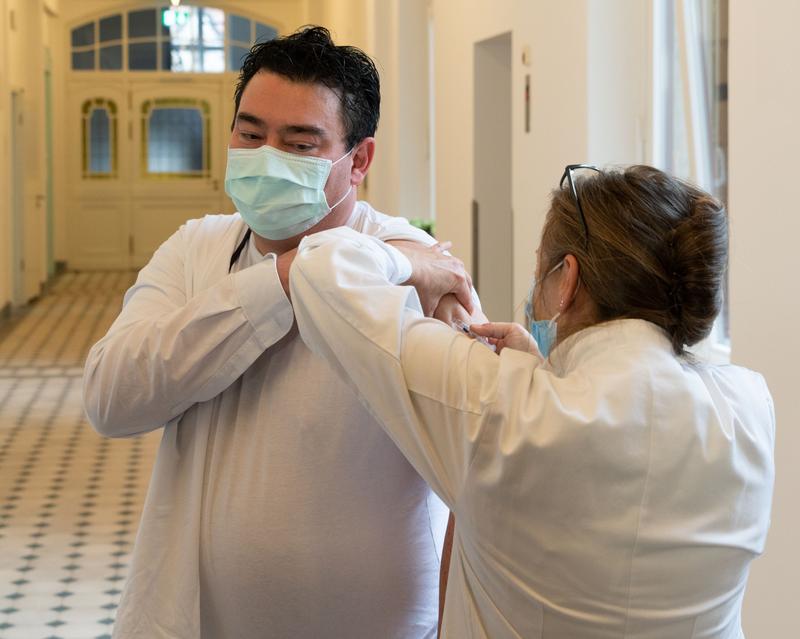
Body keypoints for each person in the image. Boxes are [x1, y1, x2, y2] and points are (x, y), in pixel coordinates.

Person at [83, 26, 480, 638]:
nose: (266, 156)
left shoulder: (417, 269)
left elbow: (475, 463)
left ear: (360, 160)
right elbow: (112, 399)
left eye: (299, 143)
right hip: (197, 618)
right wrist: (291, 277)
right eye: (250, 133)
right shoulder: (196, 248)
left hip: (374, 622)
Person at [290, 164, 776, 638]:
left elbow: (317, 270)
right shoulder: (750, 407)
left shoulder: (499, 406)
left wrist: (417, 260)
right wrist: (540, 371)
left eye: (540, 269)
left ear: (567, 280)